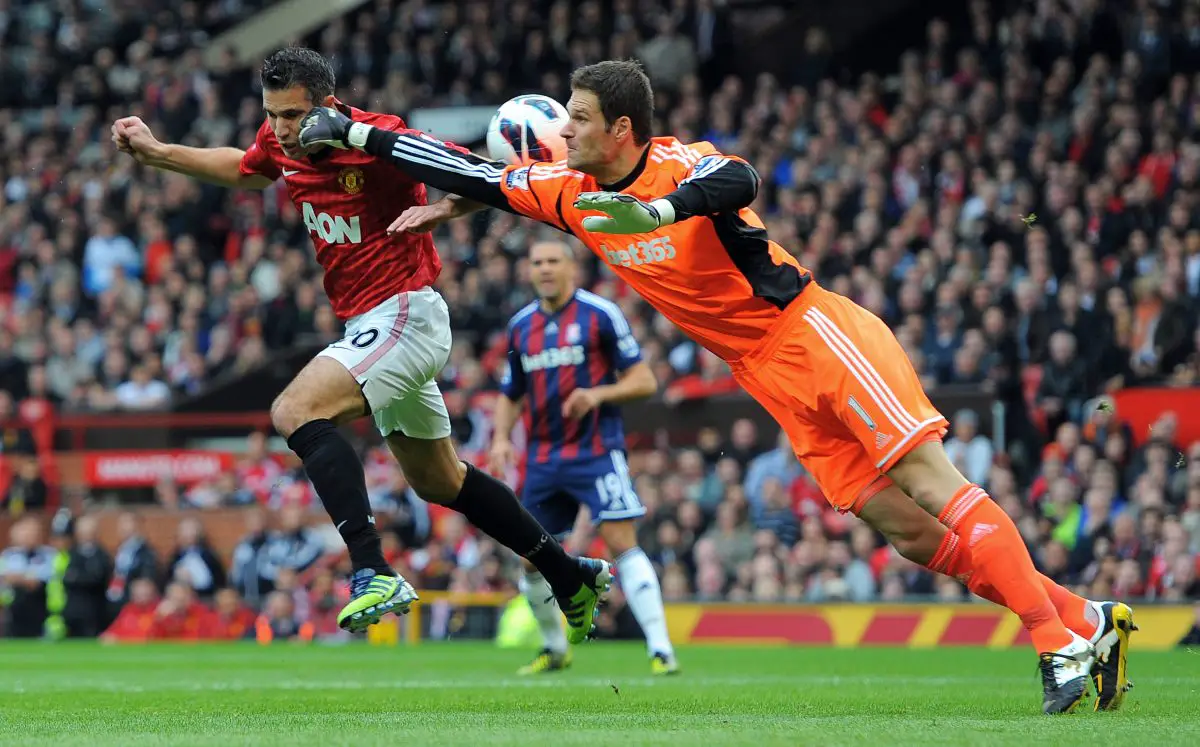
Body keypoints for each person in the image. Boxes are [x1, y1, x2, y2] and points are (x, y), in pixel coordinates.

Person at [298, 58, 1133, 713]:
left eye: (578, 119)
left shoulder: (676, 166)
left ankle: (1050, 638)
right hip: (764, 373)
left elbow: (743, 178)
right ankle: (1087, 621)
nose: (562, 131)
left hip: (816, 332)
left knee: (928, 481)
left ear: (620, 129)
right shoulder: (571, 196)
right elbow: (470, 173)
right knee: (907, 533)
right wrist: (356, 134)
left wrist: (660, 215)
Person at [111, 46, 609, 639]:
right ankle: (569, 573)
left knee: (295, 409)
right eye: (272, 115)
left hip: (406, 313)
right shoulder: (279, 142)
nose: (281, 131)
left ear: (325, 104)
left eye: (293, 116)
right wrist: (161, 153)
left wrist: (442, 213)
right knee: (439, 481)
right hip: (369, 324)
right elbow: (246, 169)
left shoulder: (378, 139)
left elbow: (486, 179)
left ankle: (372, 570)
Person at [489, 239, 677, 675]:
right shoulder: (520, 326)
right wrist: (500, 438)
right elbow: (510, 393)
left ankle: (661, 649)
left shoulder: (600, 314)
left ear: (571, 267)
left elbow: (645, 379)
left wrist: (597, 394)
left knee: (620, 542)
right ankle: (555, 649)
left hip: (596, 452)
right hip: (542, 459)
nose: (545, 268)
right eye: (537, 261)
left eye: (553, 260)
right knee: (529, 555)